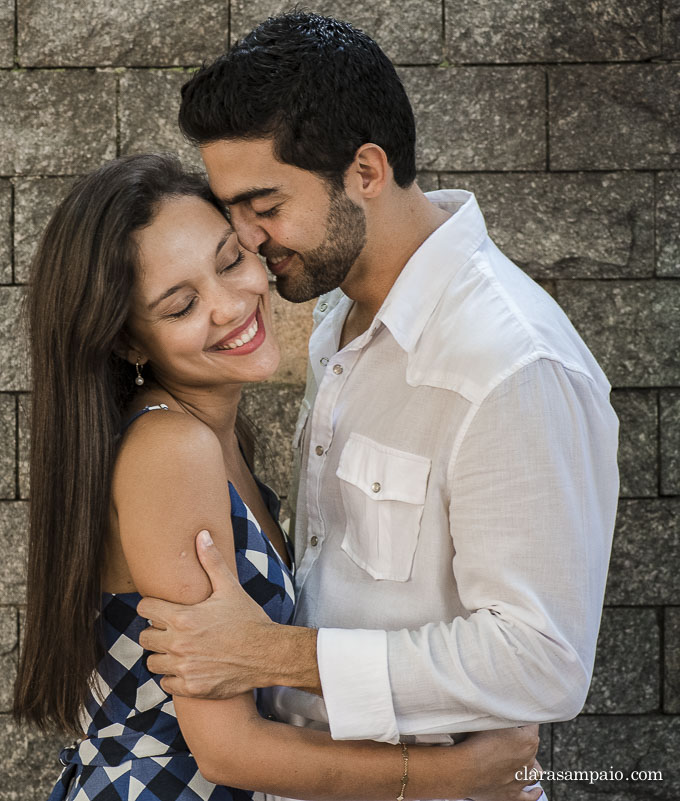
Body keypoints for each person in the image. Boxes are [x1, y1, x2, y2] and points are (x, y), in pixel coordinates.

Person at [133, 12, 619, 799]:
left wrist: (271, 655)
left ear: (364, 170)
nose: (249, 241)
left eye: (265, 203)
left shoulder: (510, 362)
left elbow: (543, 660)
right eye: (235, 210)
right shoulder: (340, 325)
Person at [12, 151, 543, 801]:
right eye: (181, 304)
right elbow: (228, 745)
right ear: (129, 341)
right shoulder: (171, 449)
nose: (231, 303)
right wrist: (454, 776)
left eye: (230, 260)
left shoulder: (213, 432)